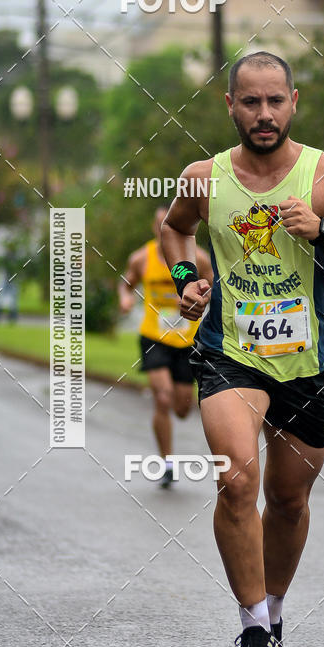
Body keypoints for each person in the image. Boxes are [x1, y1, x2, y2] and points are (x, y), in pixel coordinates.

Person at [161, 52, 324, 647]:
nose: (264, 114)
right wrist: (189, 282)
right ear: (229, 105)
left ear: (294, 102)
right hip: (229, 353)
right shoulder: (203, 178)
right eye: (250, 102)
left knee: (287, 500)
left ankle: (276, 620)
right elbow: (174, 232)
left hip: (306, 362)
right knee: (237, 481)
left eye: (275, 101)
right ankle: (253, 626)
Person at [119, 206, 212, 488]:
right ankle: (167, 463)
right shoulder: (141, 258)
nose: (164, 232)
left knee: (183, 408)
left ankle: (176, 403)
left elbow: (216, 284)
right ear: (155, 228)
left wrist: (207, 292)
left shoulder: (198, 258)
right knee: (162, 397)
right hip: (154, 336)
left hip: (187, 340)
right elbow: (126, 283)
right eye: (161, 226)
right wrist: (125, 298)